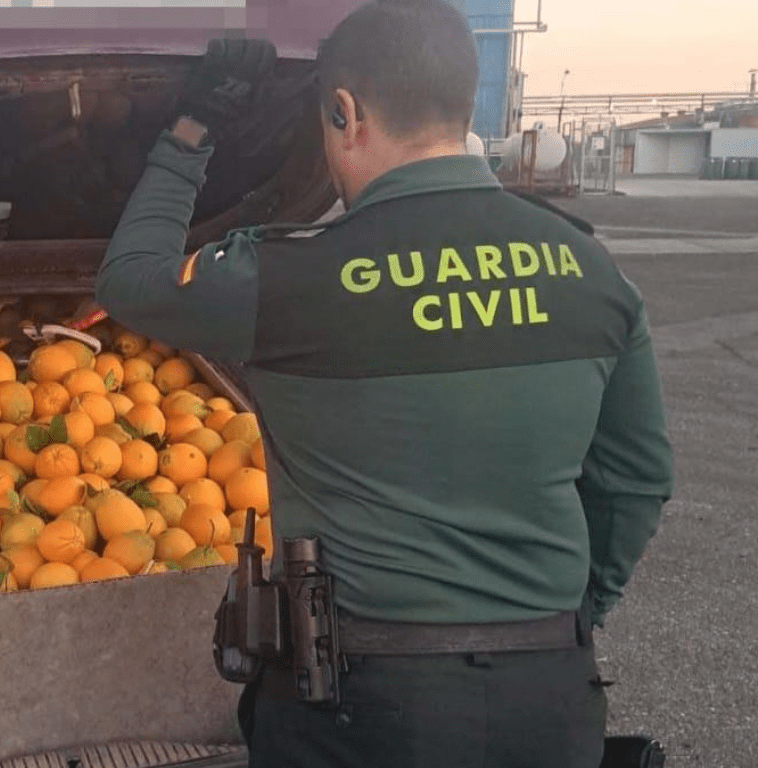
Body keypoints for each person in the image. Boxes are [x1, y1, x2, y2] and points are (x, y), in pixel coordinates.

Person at [94, 2, 673, 766]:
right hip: (550, 704)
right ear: (464, 104)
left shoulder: (288, 280)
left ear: (346, 112)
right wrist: (565, 619)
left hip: (359, 715)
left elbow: (131, 282)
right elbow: (636, 481)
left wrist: (192, 131)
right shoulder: (591, 270)